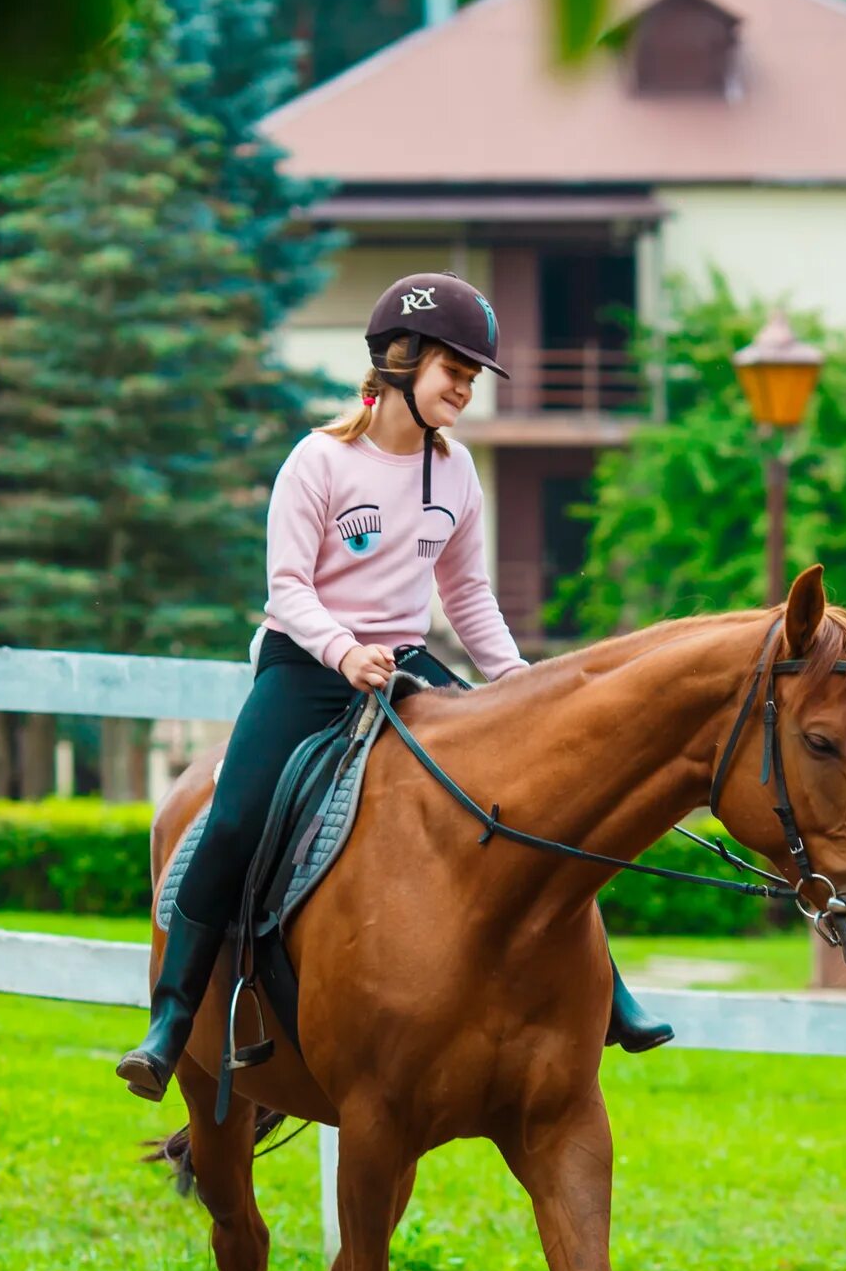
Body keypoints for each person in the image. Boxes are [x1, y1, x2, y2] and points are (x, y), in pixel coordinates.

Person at [117, 271, 673, 1101]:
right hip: (306, 666)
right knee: (232, 815)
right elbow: (287, 589)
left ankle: (610, 998)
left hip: (408, 665)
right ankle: (170, 1021)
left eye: (473, 376)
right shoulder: (319, 461)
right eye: (455, 370)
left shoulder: (456, 474)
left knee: (532, 803)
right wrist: (343, 652)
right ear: (400, 360)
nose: (466, 388)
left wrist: (518, 688)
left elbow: (468, 595)